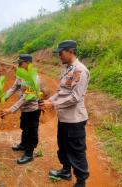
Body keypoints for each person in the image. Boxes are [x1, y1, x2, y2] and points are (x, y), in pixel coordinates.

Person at [44, 40, 90, 187]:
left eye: (61, 53)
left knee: (77, 150)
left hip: (75, 120)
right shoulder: (67, 69)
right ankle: (65, 171)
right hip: (64, 118)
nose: (59, 56)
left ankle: (81, 182)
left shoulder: (80, 70)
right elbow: (61, 92)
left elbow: (75, 97)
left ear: (70, 51)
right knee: (63, 146)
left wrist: (53, 104)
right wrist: (49, 100)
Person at [1, 54, 42, 164]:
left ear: (28, 63)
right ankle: (23, 145)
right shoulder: (21, 75)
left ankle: (29, 153)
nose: (18, 65)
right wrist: (3, 98)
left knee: (31, 131)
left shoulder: (34, 78)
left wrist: (11, 109)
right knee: (24, 127)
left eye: (20, 63)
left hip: (32, 110)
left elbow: (26, 98)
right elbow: (13, 88)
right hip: (24, 109)